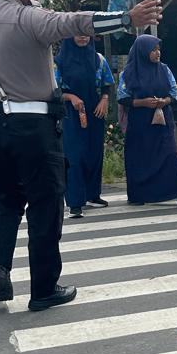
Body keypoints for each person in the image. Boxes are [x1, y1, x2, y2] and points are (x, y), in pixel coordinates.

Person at [0, 0, 161, 311]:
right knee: (44, 204)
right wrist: (125, 19)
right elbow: (74, 23)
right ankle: (43, 289)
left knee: (6, 198)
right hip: (32, 126)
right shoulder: (28, 18)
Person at [116, 35, 177, 208]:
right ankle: (139, 194)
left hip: (162, 120)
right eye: (153, 50)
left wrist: (164, 101)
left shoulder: (164, 69)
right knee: (140, 158)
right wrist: (142, 103)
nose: (158, 53)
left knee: (170, 155)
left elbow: (174, 90)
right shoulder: (129, 73)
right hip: (140, 123)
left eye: (158, 49)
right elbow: (122, 97)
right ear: (142, 52)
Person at [54, 34, 114, 219]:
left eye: (86, 33)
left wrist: (104, 99)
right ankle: (75, 202)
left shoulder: (98, 59)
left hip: (95, 111)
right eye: (77, 33)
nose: (82, 37)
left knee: (94, 153)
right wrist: (71, 97)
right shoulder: (59, 62)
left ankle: (92, 194)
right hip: (71, 114)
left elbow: (107, 83)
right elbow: (54, 90)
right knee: (74, 156)